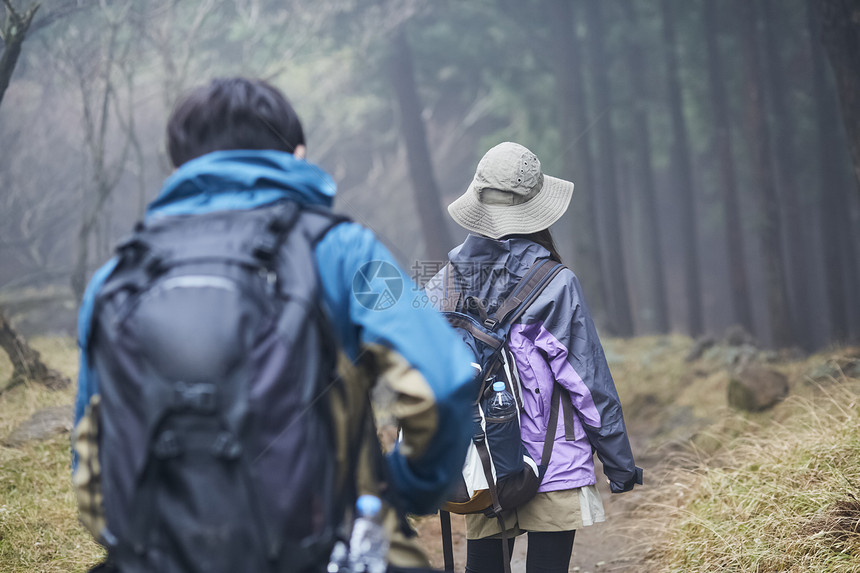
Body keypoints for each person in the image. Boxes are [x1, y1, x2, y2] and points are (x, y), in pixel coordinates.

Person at [72, 77, 475, 573]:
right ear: (298, 155)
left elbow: (92, 465)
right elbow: (444, 380)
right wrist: (406, 487)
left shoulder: (116, 278)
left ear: (179, 166)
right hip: (327, 552)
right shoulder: (344, 251)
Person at [425, 142, 642, 573]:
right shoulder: (556, 284)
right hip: (553, 464)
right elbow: (588, 384)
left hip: (482, 459)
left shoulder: (444, 284)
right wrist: (619, 464)